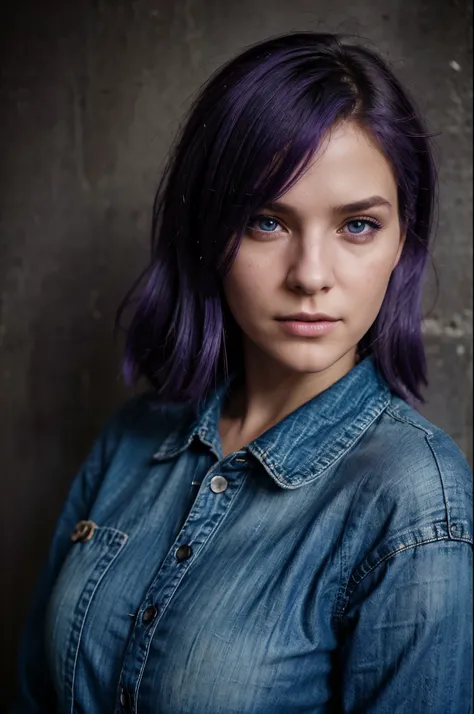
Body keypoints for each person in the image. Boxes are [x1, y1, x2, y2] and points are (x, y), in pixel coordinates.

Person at [11, 32, 472, 714]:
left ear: (403, 237)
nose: (311, 276)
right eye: (266, 221)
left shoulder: (413, 499)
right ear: (207, 232)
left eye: (357, 226)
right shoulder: (132, 439)